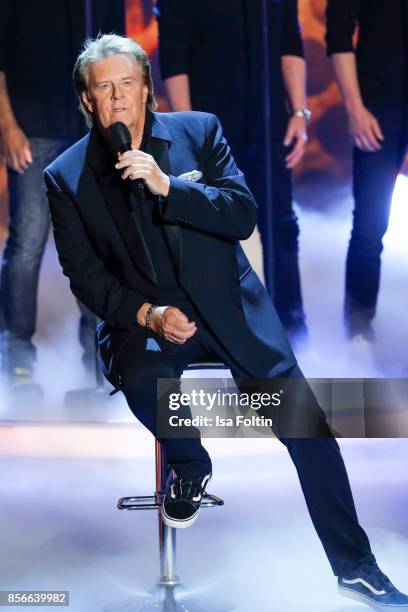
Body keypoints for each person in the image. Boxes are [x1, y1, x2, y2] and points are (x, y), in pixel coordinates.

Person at [44, 34, 408, 609]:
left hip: (228, 311)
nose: (117, 99)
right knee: (142, 376)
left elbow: (242, 215)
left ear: (146, 91)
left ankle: (355, 567)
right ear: (87, 101)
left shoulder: (199, 132)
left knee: (307, 428)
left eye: (127, 85)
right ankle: (190, 464)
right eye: (103, 88)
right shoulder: (66, 177)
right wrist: (149, 314)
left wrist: (168, 188)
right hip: (149, 321)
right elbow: (85, 275)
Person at [155, 0, 310, 344]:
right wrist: (188, 132)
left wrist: (299, 111)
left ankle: (291, 327)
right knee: (210, 234)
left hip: (269, 126)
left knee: (281, 226)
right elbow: (174, 57)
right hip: (212, 131)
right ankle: (217, 332)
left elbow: (289, 41)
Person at [0, 0, 125, 394]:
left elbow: (120, 59)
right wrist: (7, 127)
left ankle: (98, 363)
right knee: (28, 240)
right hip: (32, 128)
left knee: (96, 245)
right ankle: (17, 360)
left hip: (90, 133)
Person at [326, 1, 408, 341]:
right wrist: (356, 109)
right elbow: (339, 34)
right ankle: (358, 330)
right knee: (370, 225)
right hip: (379, 104)